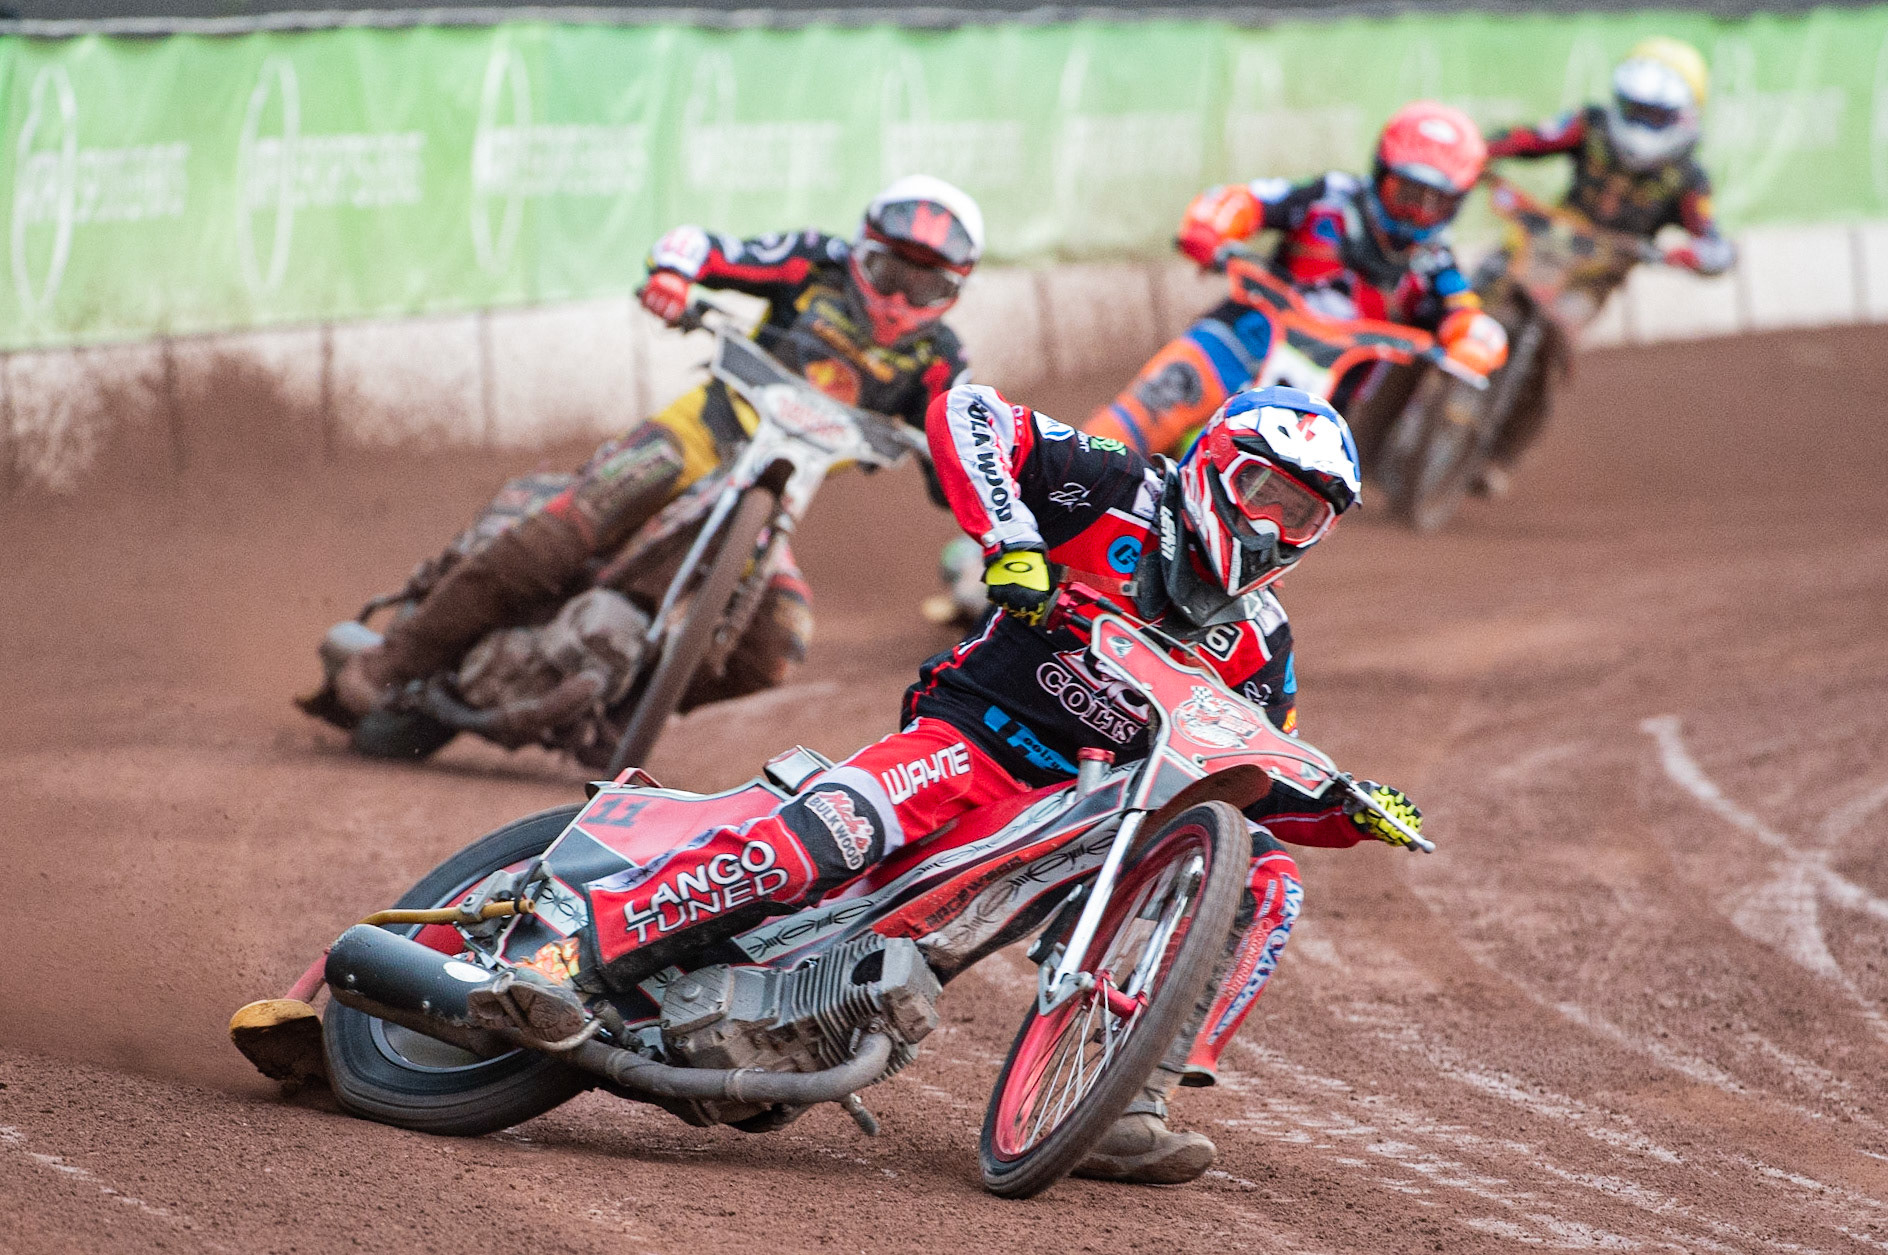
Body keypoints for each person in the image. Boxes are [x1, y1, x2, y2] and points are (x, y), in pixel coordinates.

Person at [501, 381, 1425, 1185]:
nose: (1272, 526)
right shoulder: (1117, 489)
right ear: (1218, 464)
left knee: (1263, 872)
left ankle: (1130, 1101)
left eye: (1301, 514)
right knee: (838, 834)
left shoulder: (1263, 645)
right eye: (1263, 492)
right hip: (973, 739)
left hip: (1077, 821)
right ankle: (568, 958)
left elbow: (1252, 777)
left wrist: (1343, 812)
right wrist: (1010, 536)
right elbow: (968, 415)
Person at [330, 176, 982, 721]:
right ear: (863, 251)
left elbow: (961, 454)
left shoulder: (940, 361)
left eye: (923, 286)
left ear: (951, 292)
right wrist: (674, 272)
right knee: (563, 533)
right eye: (890, 270)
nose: (898, 297)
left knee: (777, 642)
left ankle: (623, 706)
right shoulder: (815, 263)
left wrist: (975, 491)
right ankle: (393, 661)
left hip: (774, 500)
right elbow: (703, 246)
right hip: (696, 437)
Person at [1086, 101, 1507, 460]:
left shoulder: (1435, 263)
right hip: (1245, 336)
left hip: (1319, 404)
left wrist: (1471, 344)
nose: (1417, 213)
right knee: (1157, 403)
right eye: (1408, 195)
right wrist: (1213, 228)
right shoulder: (1329, 197)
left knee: (1273, 506)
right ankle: (1056, 499)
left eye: (1436, 204)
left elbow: (1466, 315)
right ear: (1382, 174)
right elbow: (1248, 201)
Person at [1476, 36, 1733, 493]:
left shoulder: (1689, 180)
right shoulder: (1589, 126)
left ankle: (1500, 456)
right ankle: (1394, 385)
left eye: (1655, 115)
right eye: (1634, 109)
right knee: (1471, 287)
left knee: (1549, 355)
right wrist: (1477, 151)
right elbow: (1530, 138)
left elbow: (1712, 241)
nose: (1641, 123)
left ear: (1684, 116)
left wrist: (1698, 254)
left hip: (1595, 276)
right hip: (1542, 240)